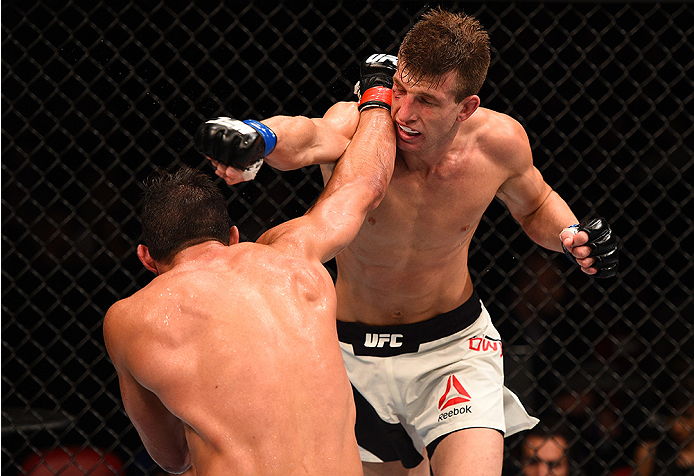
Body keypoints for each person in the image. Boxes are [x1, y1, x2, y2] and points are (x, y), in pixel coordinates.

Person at [197, 8, 619, 476]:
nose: (404, 112)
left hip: (453, 349)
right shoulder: (366, 129)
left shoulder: (498, 143)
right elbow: (311, 134)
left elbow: (536, 203)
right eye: (399, 89)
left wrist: (568, 234)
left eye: (428, 101)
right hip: (346, 354)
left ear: (467, 107)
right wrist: (261, 135)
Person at [103, 103, 396, 475]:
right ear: (233, 236)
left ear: (146, 258)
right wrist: (377, 99)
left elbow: (173, 457)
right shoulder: (295, 260)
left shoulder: (130, 318)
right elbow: (365, 185)